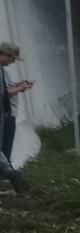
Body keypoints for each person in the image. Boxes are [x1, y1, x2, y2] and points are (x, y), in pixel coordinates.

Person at [0, 42, 31, 192]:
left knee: (4, 146)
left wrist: (18, 85)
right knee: (3, 146)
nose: (12, 62)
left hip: (6, 112)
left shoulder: (2, 70)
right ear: (5, 54)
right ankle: (10, 173)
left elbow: (6, 88)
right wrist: (19, 88)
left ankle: (9, 173)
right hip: (5, 112)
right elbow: (4, 92)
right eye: (12, 59)